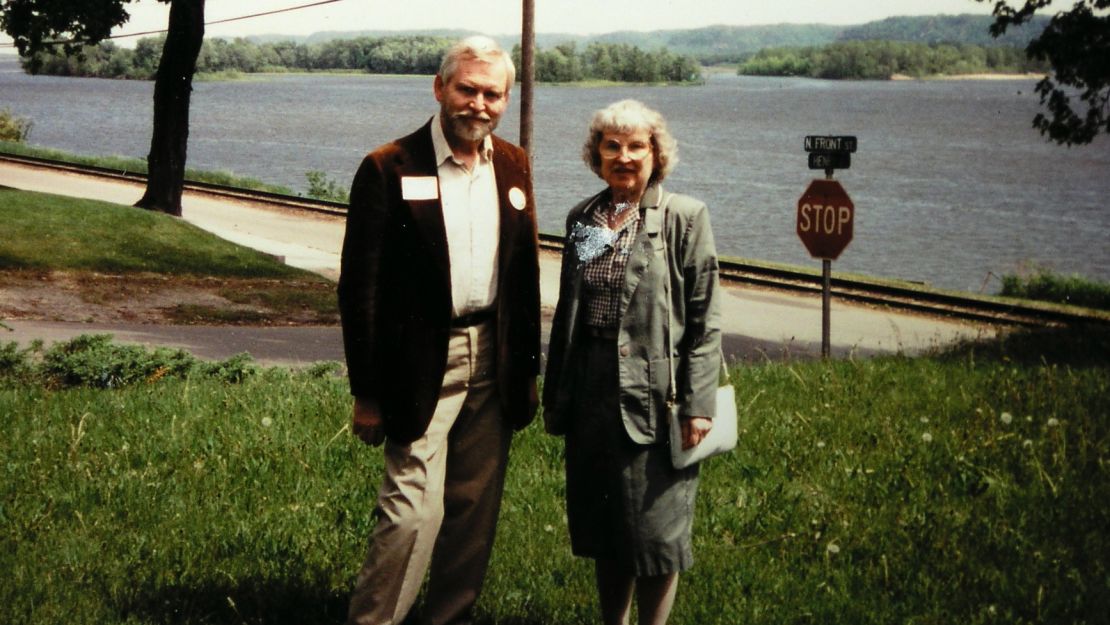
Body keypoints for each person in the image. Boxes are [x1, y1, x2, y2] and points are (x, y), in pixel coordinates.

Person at [337, 36, 540, 625]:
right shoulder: (388, 166)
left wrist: (525, 371)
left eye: (492, 94)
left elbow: (522, 272)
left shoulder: (513, 164)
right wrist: (367, 393)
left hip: (495, 356)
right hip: (421, 360)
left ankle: (447, 618)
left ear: (506, 99)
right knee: (409, 512)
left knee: (473, 510)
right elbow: (360, 290)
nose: (479, 105)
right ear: (439, 88)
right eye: (467, 90)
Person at [542, 99, 722, 625]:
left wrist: (698, 404)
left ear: (655, 153)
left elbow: (706, 320)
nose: (624, 157)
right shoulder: (586, 218)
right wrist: (559, 397)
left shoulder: (682, 218)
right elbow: (570, 311)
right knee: (606, 526)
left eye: (636, 146)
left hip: (656, 394)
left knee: (656, 531)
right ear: (596, 154)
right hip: (593, 390)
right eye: (612, 146)